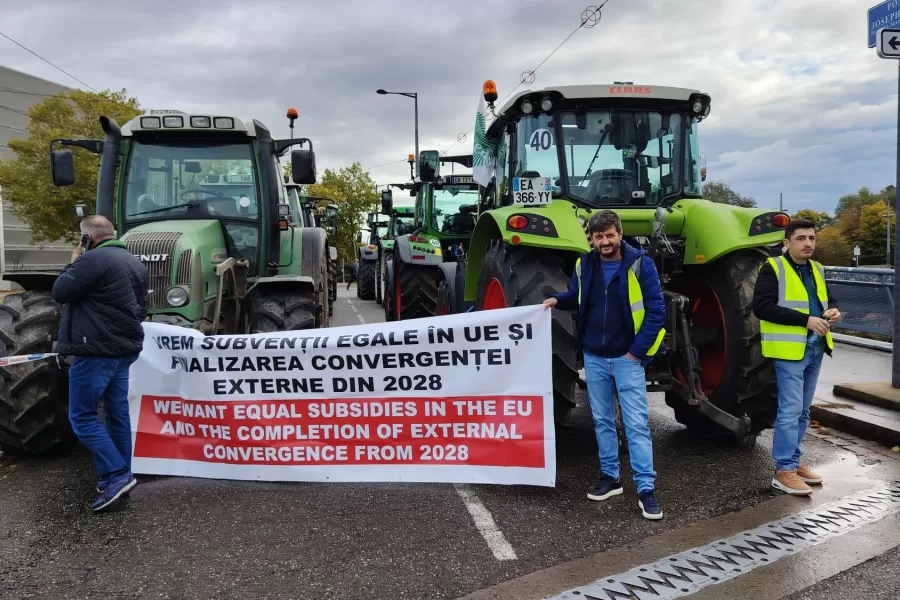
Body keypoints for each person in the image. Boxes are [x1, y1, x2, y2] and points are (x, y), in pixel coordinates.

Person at [543, 210, 667, 520]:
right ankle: (610, 478)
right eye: (599, 237)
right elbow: (578, 296)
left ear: (620, 233)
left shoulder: (641, 265)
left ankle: (646, 489)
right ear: (592, 239)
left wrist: (636, 353)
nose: (604, 241)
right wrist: (558, 300)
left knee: (637, 425)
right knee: (602, 421)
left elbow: (656, 312)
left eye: (609, 235)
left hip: (627, 358)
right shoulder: (584, 264)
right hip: (595, 357)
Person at [52, 215, 149, 512]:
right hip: (123, 351)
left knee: (82, 417)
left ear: (88, 238)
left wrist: (73, 260)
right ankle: (123, 476)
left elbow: (60, 291)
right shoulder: (133, 262)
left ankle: (117, 475)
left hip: (94, 352)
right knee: (117, 414)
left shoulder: (91, 261)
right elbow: (142, 308)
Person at [753, 218, 840, 496]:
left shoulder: (817, 268)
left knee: (802, 410)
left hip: (815, 347)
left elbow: (828, 299)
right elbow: (762, 307)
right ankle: (784, 471)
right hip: (790, 350)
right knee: (790, 411)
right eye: (801, 238)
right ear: (786, 242)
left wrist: (834, 310)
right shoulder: (773, 267)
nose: (808, 243)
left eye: (812, 238)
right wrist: (806, 321)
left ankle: (794, 461)